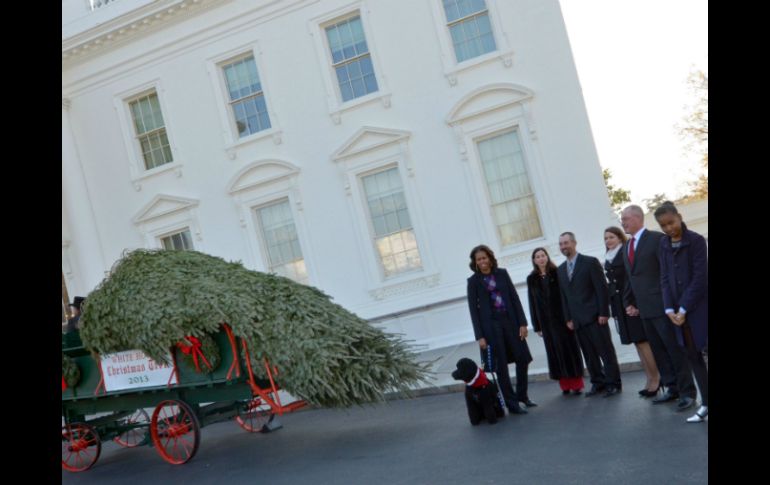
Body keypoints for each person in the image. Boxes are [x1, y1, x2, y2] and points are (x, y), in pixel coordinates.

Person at [620, 205, 696, 412]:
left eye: (625, 218)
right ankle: (672, 388)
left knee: (674, 349)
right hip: (644, 309)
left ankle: (687, 392)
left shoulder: (657, 240)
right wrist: (630, 302)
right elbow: (631, 278)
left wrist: (672, 304)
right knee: (659, 352)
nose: (622, 222)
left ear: (637, 218)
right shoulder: (627, 246)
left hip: (663, 307)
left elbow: (668, 273)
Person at [654, 202, 708, 423]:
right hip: (678, 314)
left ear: (679, 216)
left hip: (699, 308)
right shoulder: (663, 245)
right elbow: (665, 278)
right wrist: (669, 308)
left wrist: (684, 307)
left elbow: (700, 278)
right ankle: (705, 404)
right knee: (693, 357)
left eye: (671, 222)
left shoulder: (695, 241)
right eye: (663, 225)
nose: (668, 229)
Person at [467, 244, 533, 414]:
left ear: (490, 258)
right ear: (475, 262)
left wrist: (523, 323)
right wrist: (479, 336)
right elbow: (473, 310)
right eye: (478, 259)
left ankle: (522, 396)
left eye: (484, 257)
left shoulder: (502, 274)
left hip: (510, 322)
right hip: (491, 328)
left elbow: (514, 297)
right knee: (501, 366)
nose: (482, 261)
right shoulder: (473, 282)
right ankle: (512, 404)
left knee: (523, 358)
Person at [557, 232, 622, 397]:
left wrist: (604, 312)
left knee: (605, 352)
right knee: (589, 354)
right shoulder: (561, 270)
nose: (564, 246)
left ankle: (613, 383)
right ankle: (597, 382)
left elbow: (601, 289)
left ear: (574, 242)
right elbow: (564, 296)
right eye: (561, 244)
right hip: (577, 320)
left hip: (595, 317)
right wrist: (568, 318)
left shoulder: (590, 262)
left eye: (566, 243)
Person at [603, 227, 661, 397]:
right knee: (636, 342)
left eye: (611, 237)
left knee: (643, 341)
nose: (608, 241)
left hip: (630, 302)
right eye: (605, 238)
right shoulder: (609, 255)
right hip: (619, 304)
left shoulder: (625, 252)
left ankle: (656, 378)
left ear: (620, 237)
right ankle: (649, 378)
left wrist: (632, 302)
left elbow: (630, 279)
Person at [526, 247, 585, 395]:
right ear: (534, 260)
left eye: (543, 255)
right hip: (546, 323)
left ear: (547, 256)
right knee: (555, 353)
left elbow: (566, 296)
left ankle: (576, 383)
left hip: (563, 320)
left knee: (569, 351)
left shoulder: (558, 272)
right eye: (537, 256)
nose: (541, 258)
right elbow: (532, 303)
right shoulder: (531, 279)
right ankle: (565, 385)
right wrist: (536, 326)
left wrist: (569, 317)